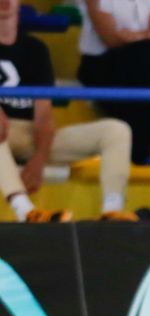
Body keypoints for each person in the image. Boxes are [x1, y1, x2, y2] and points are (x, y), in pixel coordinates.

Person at [0, 0, 133, 222]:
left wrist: (39, 159)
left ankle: (112, 211)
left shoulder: (36, 49)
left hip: (30, 134)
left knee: (116, 130)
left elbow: (44, 115)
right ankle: (25, 211)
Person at [76, 0, 150, 163]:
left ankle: (144, 150)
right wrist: (146, 37)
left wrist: (137, 38)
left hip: (145, 65)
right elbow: (111, 37)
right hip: (103, 63)